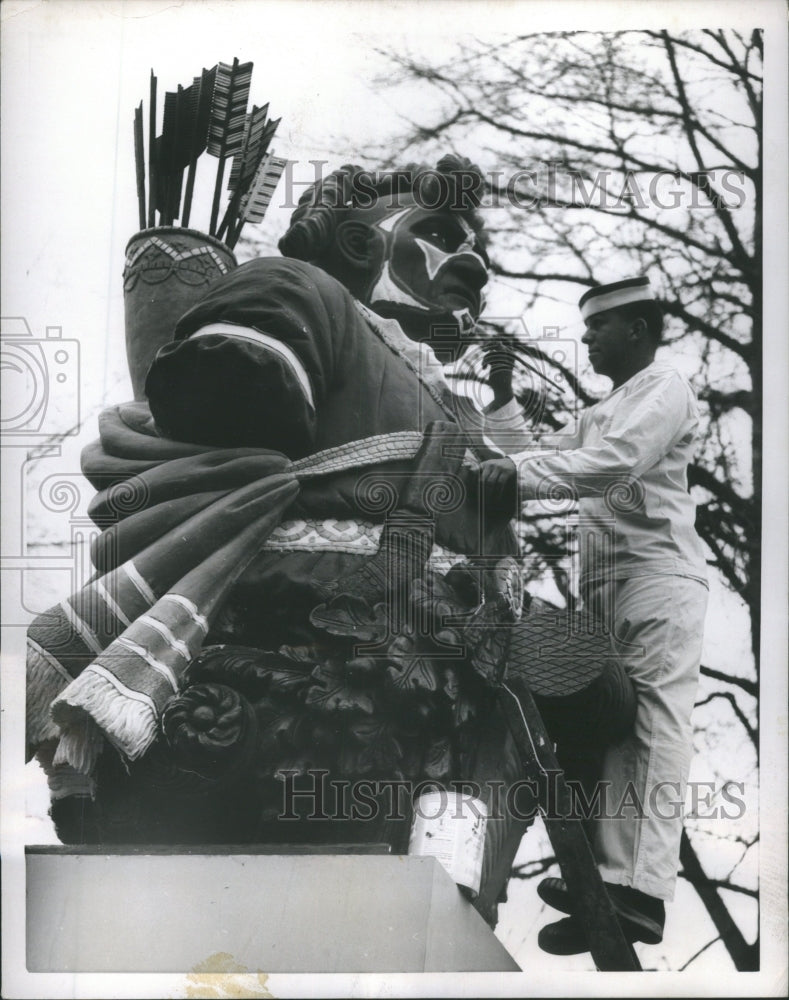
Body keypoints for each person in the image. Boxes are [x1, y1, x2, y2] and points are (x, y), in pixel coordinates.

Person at [481, 276, 709, 952]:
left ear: (637, 329)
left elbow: (610, 466)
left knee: (650, 726)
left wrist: (514, 478)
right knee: (608, 726)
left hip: (657, 577)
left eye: (597, 327)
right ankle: (606, 883)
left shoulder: (665, 389)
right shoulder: (606, 408)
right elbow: (535, 457)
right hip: (607, 587)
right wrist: (499, 404)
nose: (585, 340)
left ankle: (638, 890)